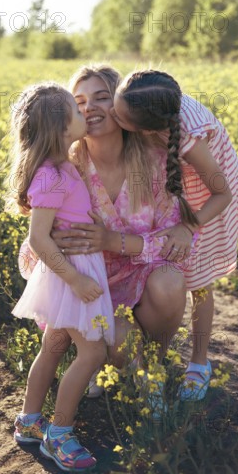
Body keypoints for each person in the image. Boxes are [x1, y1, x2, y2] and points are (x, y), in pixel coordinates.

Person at [51, 65, 198, 411]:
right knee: (121, 345)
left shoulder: (154, 161)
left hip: (145, 273)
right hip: (94, 284)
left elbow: (172, 244)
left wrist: (113, 241)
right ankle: (120, 367)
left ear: (122, 107)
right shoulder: (67, 168)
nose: (90, 109)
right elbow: (44, 243)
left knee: (170, 281)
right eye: (80, 101)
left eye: (102, 97)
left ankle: (156, 362)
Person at [111, 69, 238, 401]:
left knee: (199, 281)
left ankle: (199, 364)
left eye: (119, 115)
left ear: (148, 130)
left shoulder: (187, 137)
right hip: (177, 186)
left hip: (208, 200)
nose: (113, 116)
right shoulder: (147, 96)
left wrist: (189, 226)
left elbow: (222, 193)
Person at [5, 81, 115, 473]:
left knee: (52, 347)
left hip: (71, 271)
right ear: (60, 126)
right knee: (94, 352)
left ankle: (29, 421)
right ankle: (59, 433)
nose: (84, 113)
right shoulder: (52, 175)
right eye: (76, 108)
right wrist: (75, 279)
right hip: (70, 275)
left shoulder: (62, 167)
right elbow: (38, 237)